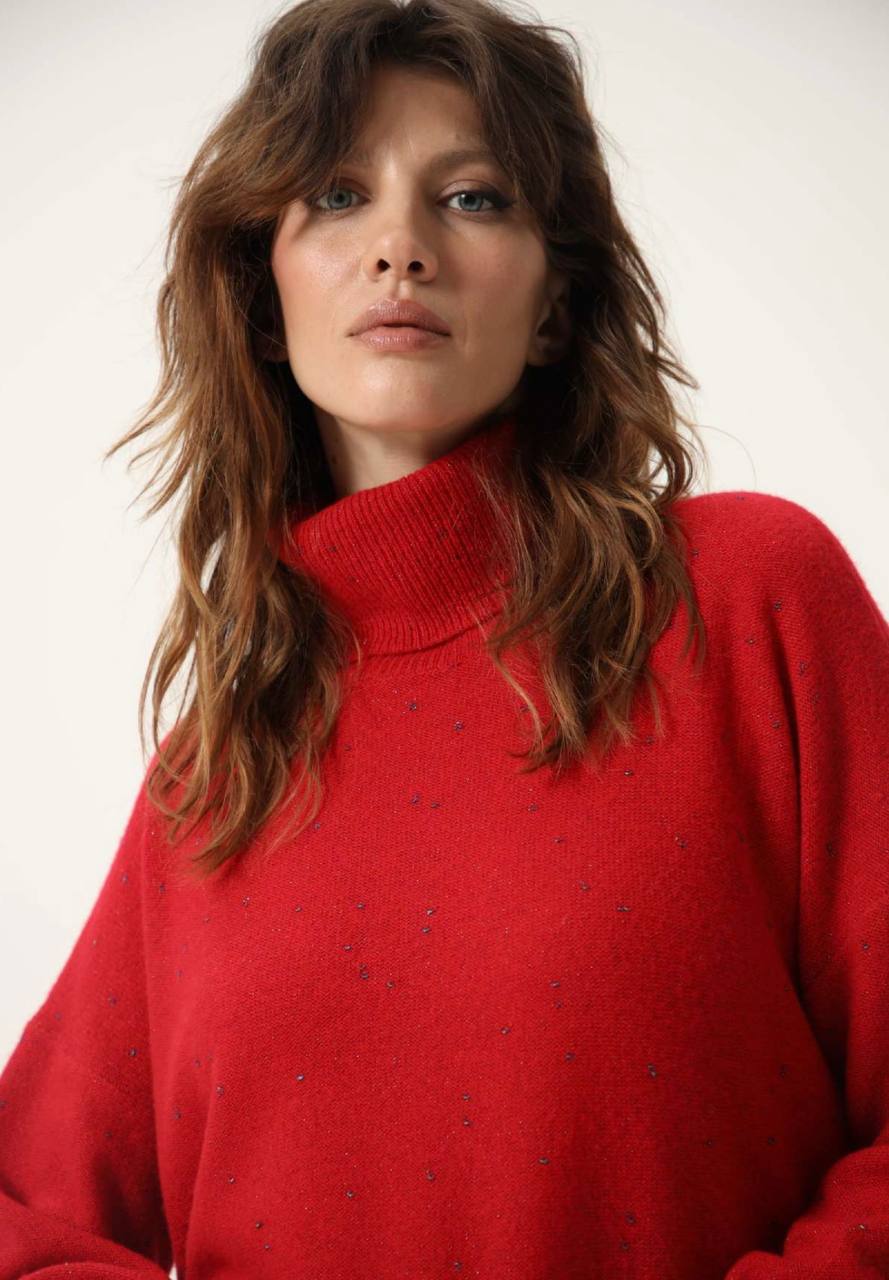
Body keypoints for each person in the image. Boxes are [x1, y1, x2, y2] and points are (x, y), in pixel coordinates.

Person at [2, 0, 887, 1276]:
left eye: (471, 198)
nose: (400, 248)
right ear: (264, 299)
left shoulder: (748, 600)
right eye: (337, 196)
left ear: (553, 303)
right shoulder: (219, 767)